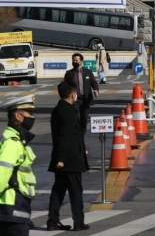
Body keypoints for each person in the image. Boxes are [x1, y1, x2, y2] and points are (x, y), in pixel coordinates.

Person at [47, 82, 89, 232]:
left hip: (65, 157)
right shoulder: (68, 111)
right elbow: (64, 136)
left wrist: (82, 148)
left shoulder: (59, 109)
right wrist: (61, 158)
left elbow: (71, 135)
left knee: (58, 190)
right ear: (72, 94)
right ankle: (79, 222)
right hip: (69, 160)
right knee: (75, 191)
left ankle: (53, 221)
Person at [0, 95, 37, 236]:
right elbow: (2, 174)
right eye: (29, 113)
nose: (32, 117)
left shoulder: (17, 141)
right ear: (18, 116)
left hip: (16, 207)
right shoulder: (12, 143)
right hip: (11, 207)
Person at [64, 53, 99, 139]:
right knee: (76, 117)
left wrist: (96, 89)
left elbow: (93, 82)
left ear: (81, 61)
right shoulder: (69, 73)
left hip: (86, 99)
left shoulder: (88, 72)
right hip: (75, 100)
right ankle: (76, 136)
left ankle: (81, 137)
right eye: (73, 60)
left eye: (76, 60)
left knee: (84, 120)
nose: (75, 62)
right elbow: (65, 86)